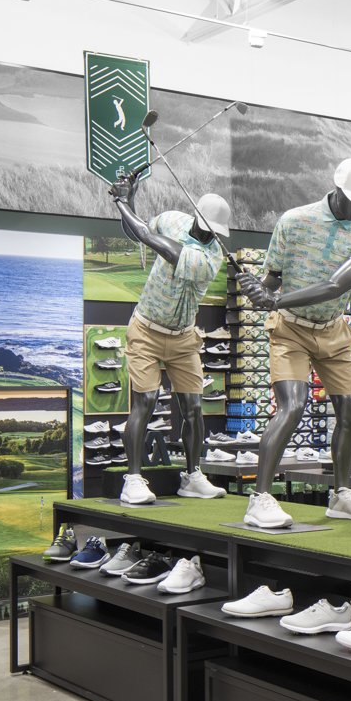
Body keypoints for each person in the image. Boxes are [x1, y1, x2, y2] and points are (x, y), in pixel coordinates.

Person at [236, 160, 351, 529]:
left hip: (334, 331)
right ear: (336, 187)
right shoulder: (293, 221)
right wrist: (260, 289)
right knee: (292, 406)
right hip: (290, 329)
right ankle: (260, 499)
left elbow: (335, 286)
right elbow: (273, 277)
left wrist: (272, 299)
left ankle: (340, 494)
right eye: (350, 199)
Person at [108, 170, 233, 504]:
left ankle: (193, 476)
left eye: (217, 233)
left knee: (193, 406)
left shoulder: (210, 258)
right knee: (145, 402)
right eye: (209, 230)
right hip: (146, 328)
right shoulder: (171, 219)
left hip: (183, 337)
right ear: (197, 219)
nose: (213, 237)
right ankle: (132, 479)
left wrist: (121, 201)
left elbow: (150, 239)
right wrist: (130, 199)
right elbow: (136, 233)